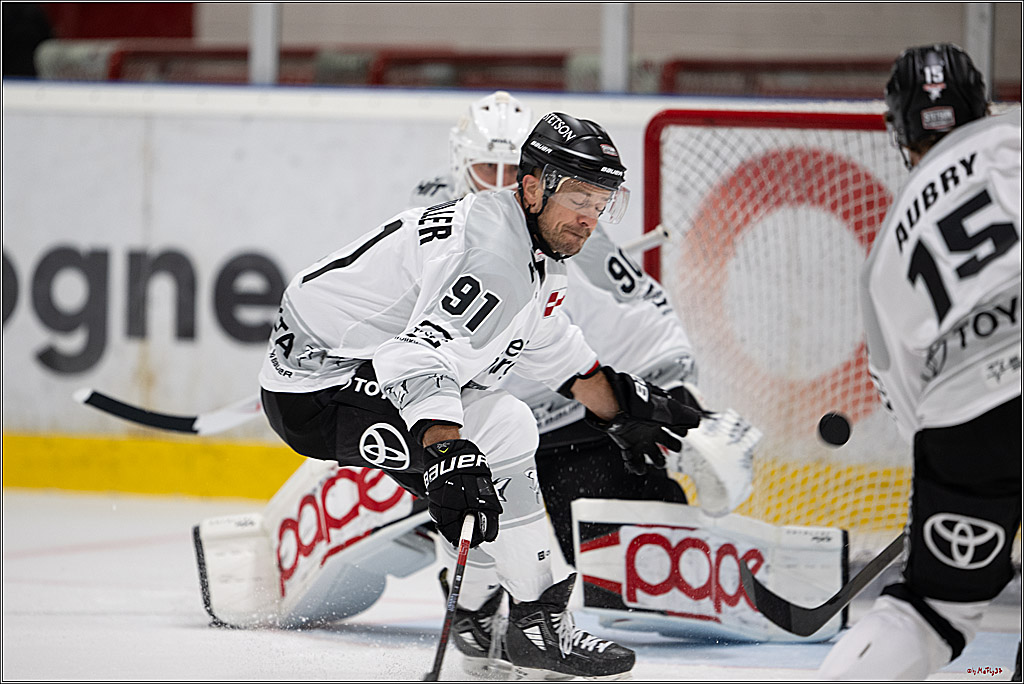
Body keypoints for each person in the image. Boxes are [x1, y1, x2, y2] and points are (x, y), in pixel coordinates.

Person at [258, 109, 706, 680]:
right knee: (495, 433)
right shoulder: (498, 256)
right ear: (532, 186)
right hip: (318, 385)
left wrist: (623, 410)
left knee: (499, 431)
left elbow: (551, 347)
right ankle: (524, 623)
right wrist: (447, 453)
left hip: (340, 365)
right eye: (577, 197)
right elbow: (417, 360)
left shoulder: (528, 242)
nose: (589, 218)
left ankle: (493, 616)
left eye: (601, 202)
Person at [409, 90, 761, 673]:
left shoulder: (575, 232)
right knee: (462, 501)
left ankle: (514, 603)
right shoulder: (430, 232)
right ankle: (474, 607)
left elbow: (643, 314)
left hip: (564, 420)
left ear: (535, 177)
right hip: (459, 421)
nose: (498, 182)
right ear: (458, 166)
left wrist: (683, 407)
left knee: (638, 513)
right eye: (483, 169)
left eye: (510, 170)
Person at [817, 43, 1021, 680]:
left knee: (932, 613)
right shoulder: (1015, 139)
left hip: (970, 415)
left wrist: (957, 490)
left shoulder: (883, 259)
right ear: (984, 107)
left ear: (898, 132)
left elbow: (914, 412)